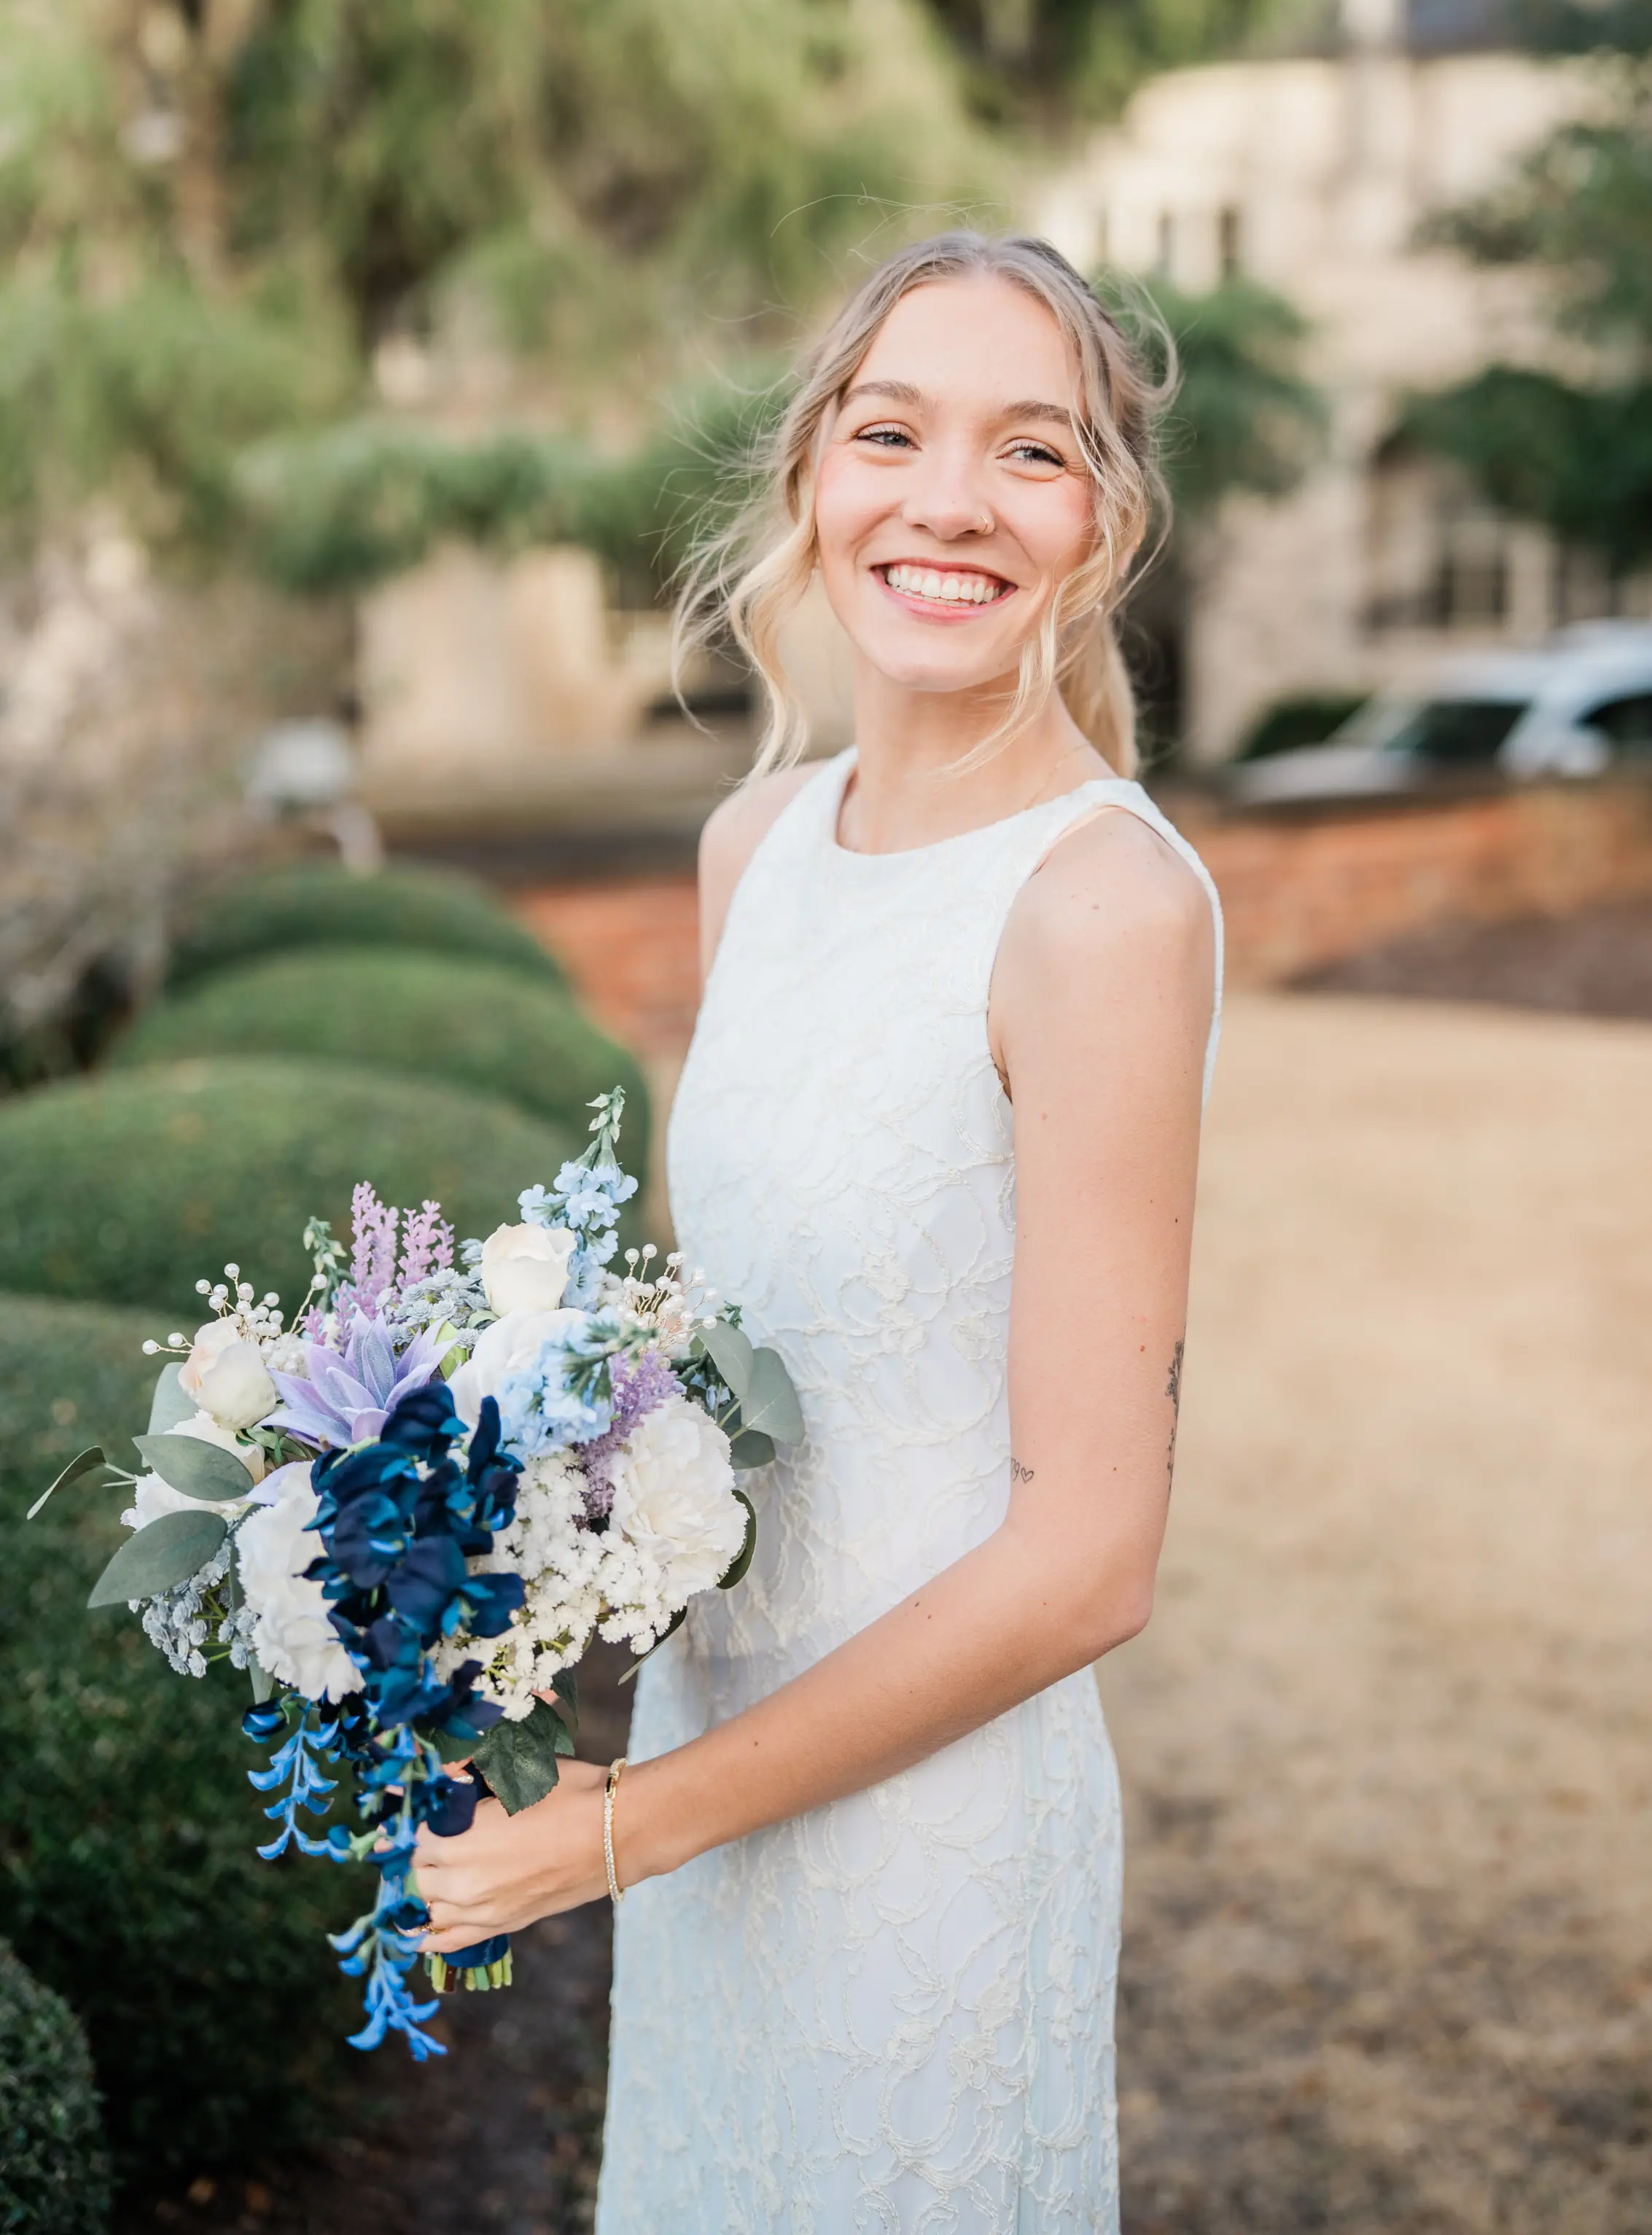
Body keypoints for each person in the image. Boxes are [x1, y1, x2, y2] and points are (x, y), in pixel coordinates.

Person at [414, 231, 1223, 2230]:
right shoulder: (755, 846)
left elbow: (1088, 1560)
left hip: (925, 1846)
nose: (947, 500)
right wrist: (486, 1575)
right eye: (893, 432)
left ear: (1102, 525)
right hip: (710, 1795)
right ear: (811, 478)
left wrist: (619, 1834)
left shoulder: (1104, 908)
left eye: (1029, 453)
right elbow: (734, 1382)